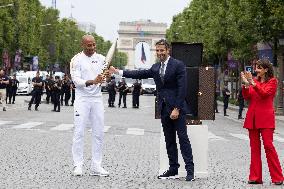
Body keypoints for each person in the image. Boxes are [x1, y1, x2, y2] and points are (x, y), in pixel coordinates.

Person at [109, 39, 194, 181]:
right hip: (163, 108)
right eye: (158, 50)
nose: (160, 53)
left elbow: (182, 89)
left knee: (183, 139)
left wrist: (177, 108)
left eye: (162, 50)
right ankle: (173, 169)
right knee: (169, 140)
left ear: (168, 50)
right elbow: (138, 74)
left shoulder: (178, 65)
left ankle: (190, 171)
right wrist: (119, 71)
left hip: (176, 109)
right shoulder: (155, 67)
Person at [70, 34, 110, 177]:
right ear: (83, 45)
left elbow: (105, 80)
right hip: (82, 99)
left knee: (98, 132)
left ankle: (96, 165)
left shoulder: (101, 59)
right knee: (79, 132)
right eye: (89, 45)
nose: (92, 47)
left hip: (97, 99)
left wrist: (108, 76)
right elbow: (76, 80)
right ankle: (78, 165)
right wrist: (92, 81)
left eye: (94, 44)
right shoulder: (76, 60)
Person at [241, 58, 283, 185]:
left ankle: (278, 177)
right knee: (254, 148)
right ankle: (255, 177)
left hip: (265, 119)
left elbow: (265, 94)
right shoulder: (254, 81)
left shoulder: (273, 81)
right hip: (252, 118)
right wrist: (245, 85)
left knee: (269, 147)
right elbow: (247, 96)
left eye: (259, 68)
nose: (256, 70)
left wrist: (252, 83)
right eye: (256, 67)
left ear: (266, 70)